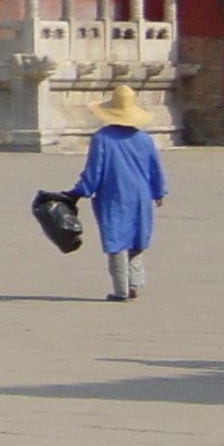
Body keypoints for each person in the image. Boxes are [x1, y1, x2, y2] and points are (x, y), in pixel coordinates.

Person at [64, 85, 167, 301]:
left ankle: (121, 289)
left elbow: (94, 171)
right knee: (137, 238)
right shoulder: (144, 139)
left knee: (116, 240)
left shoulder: (102, 138)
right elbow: (154, 168)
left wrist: (78, 192)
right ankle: (134, 284)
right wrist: (158, 192)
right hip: (140, 194)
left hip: (114, 195)